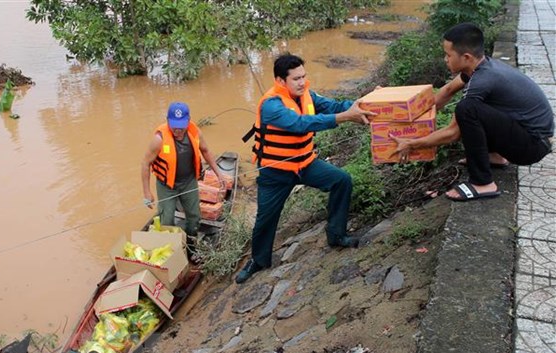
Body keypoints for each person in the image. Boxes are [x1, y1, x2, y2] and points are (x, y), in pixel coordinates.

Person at [236, 53, 375, 284]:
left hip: (306, 164)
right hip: (276, 171)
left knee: (341, 180)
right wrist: (345, 117)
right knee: (265, 218)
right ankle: (259, 261)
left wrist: (365, 102)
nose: (302, 82)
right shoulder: (271, 105)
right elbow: (300, 124)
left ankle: (336, 235)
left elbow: (334, 105)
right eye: (296, 79)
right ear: (280, 81)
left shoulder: (307, 94)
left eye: (304, 76)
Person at [391, 22, 553, 201]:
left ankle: (483, 183)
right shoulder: (479, 67)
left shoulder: (482, 81)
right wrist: (411, 119)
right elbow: (446, 91)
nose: (445, 60)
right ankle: (495, 156)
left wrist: (411, 144)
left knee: (467, 109)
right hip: (528, 136)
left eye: (448, 55)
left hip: (532, 147)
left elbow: (452, 133)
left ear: (466, 57)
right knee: (475, 108)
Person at [141, 102, 226, 260]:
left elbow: (206, 151)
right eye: (174, 126)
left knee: (194, 218)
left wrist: (219, 174)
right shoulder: (159, 139)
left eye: (181, 126)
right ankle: (171, 254)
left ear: (188, 121)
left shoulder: (195, 133)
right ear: (167, 120)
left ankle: (191, 248)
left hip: (188, 182)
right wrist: (147, 193)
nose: (178, 130)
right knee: (166, 220)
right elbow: (145, 163)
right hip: (167, 186)